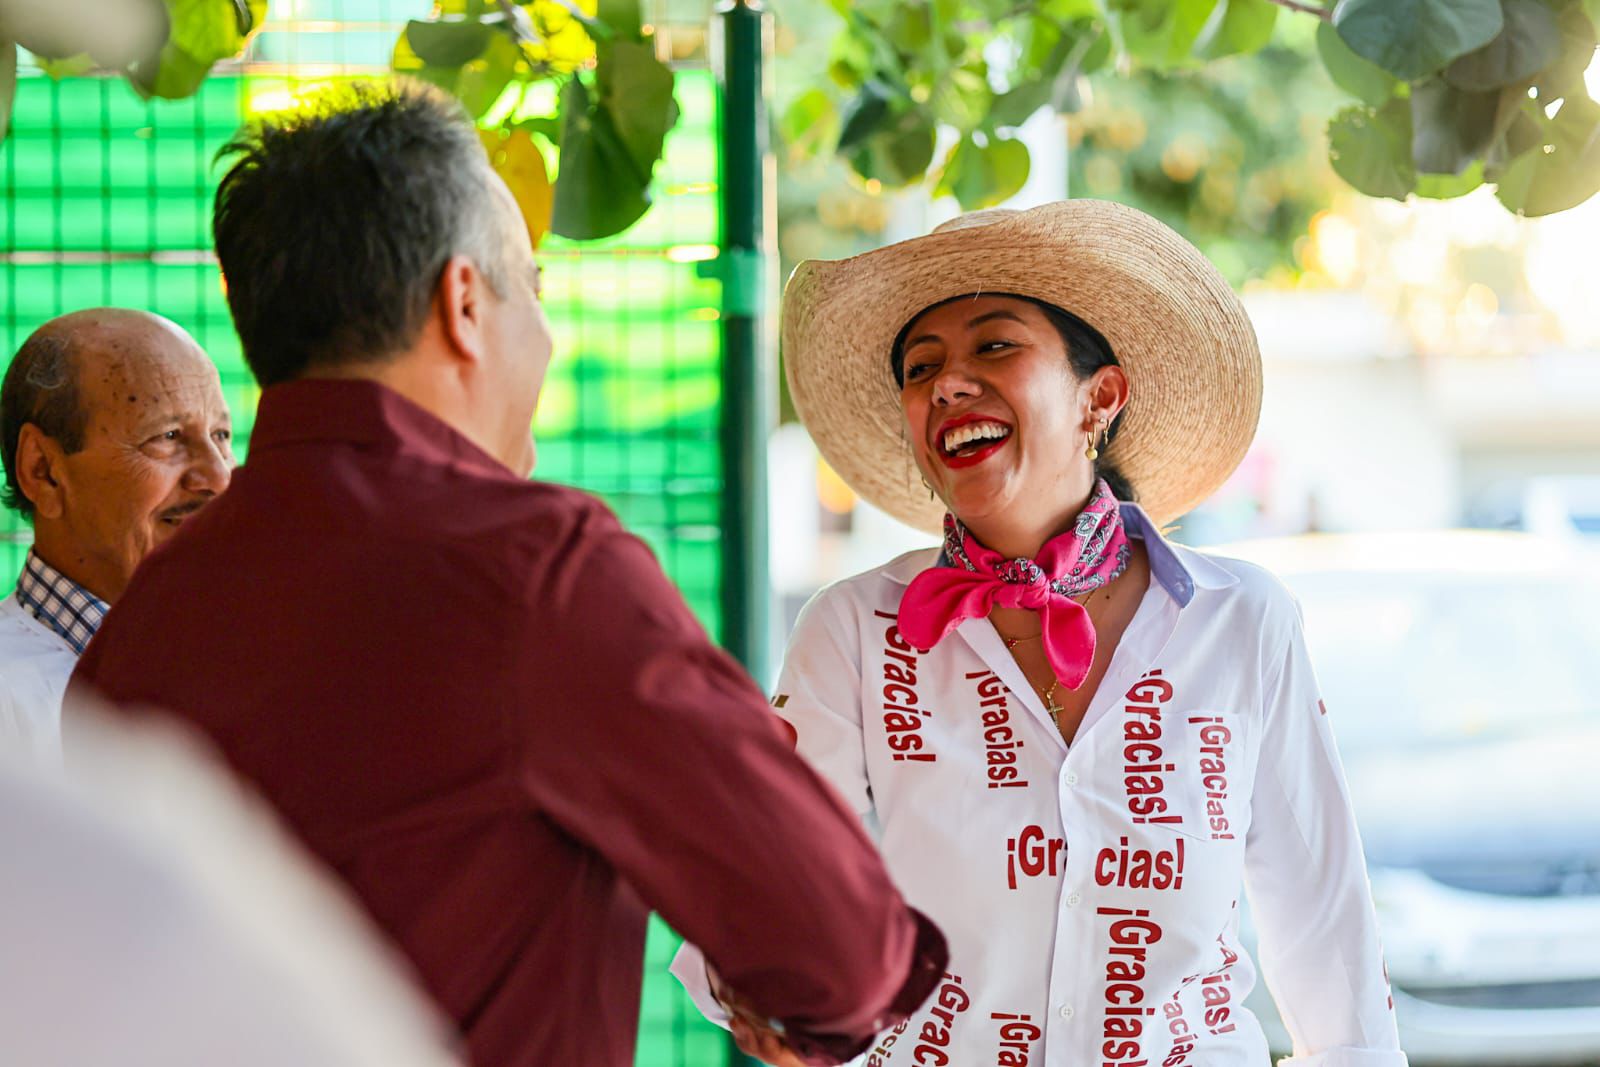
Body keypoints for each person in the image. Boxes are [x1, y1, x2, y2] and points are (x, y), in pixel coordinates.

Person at [69, 81, 946, 1067]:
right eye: (531, 284)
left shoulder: (141, 619)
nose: (549, 332)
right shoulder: (537, 572)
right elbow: (839, 947)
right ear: (463, 304)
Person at [675, 201, 1407, 1067]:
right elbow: (760, 883)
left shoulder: (1243, 620)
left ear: (1100, 397)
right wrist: (767, 987)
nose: (947, 383)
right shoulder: (854, 632)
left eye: (994, 345)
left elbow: (1329, 945)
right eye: (921, 367)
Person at [0, 309, 232, 760]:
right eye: (167, 436)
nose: (218, 476)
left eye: (221, 435)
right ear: (43, 472)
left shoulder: (249, 665)